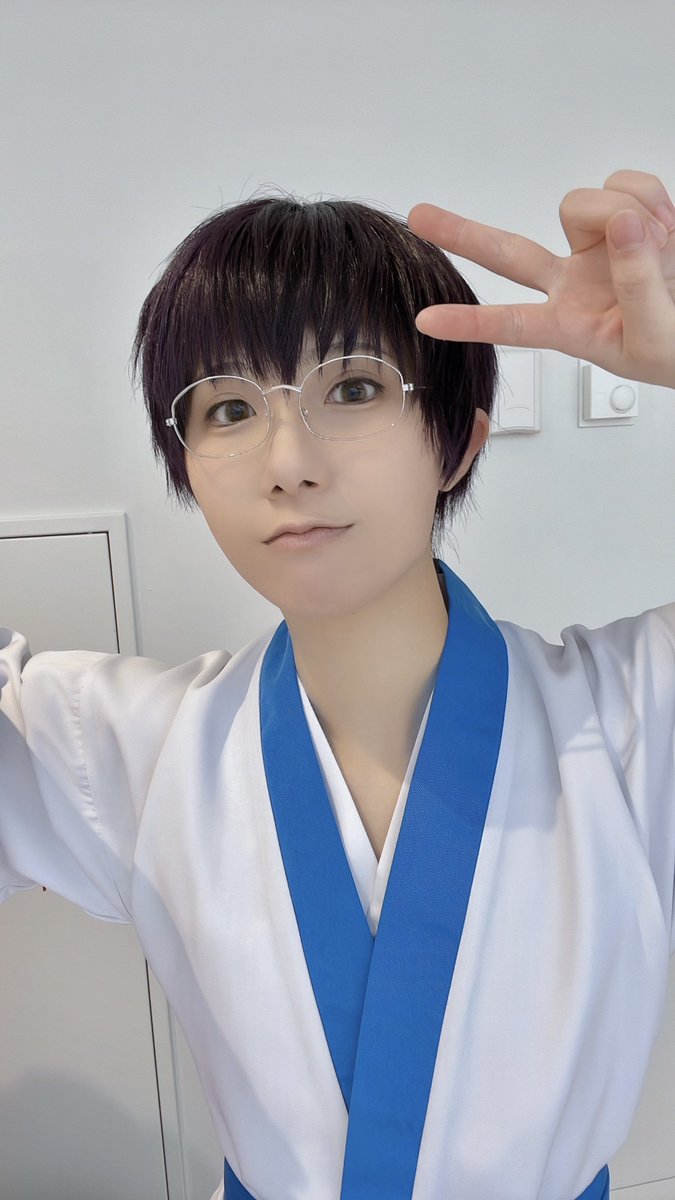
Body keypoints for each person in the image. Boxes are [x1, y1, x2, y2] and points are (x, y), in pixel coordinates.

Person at [0, 168, 673, 1200]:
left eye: (353, 389)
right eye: (228, 407)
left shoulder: (633, 715)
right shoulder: (119, 744)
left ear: (458, 443)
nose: (287, 461)